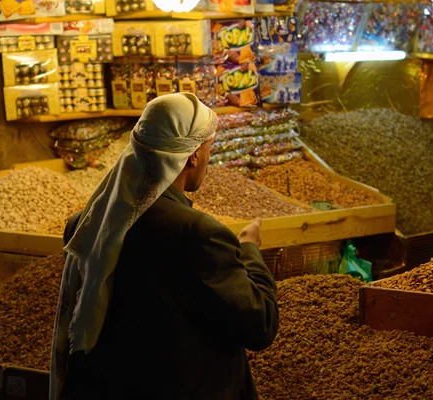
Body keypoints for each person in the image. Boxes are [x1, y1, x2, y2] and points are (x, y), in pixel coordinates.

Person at [49, 93, 279, 400]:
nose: (208, 159)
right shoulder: (198, 233)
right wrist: (250, 249)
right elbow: (259, 324)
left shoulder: (88, 224)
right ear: (193, 155)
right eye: (208, 148)